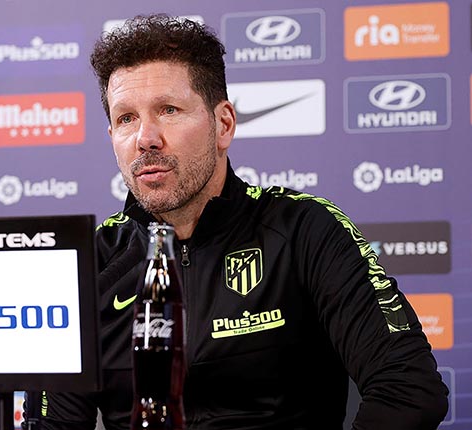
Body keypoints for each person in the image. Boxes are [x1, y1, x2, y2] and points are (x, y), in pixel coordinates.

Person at [26, 14, 449, 430]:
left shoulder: (305, 230)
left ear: (223, 124)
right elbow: (51, 424)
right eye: (126, 118)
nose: (145, 138)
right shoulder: (89, 264)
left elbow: (409, 390)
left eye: (168, 110)